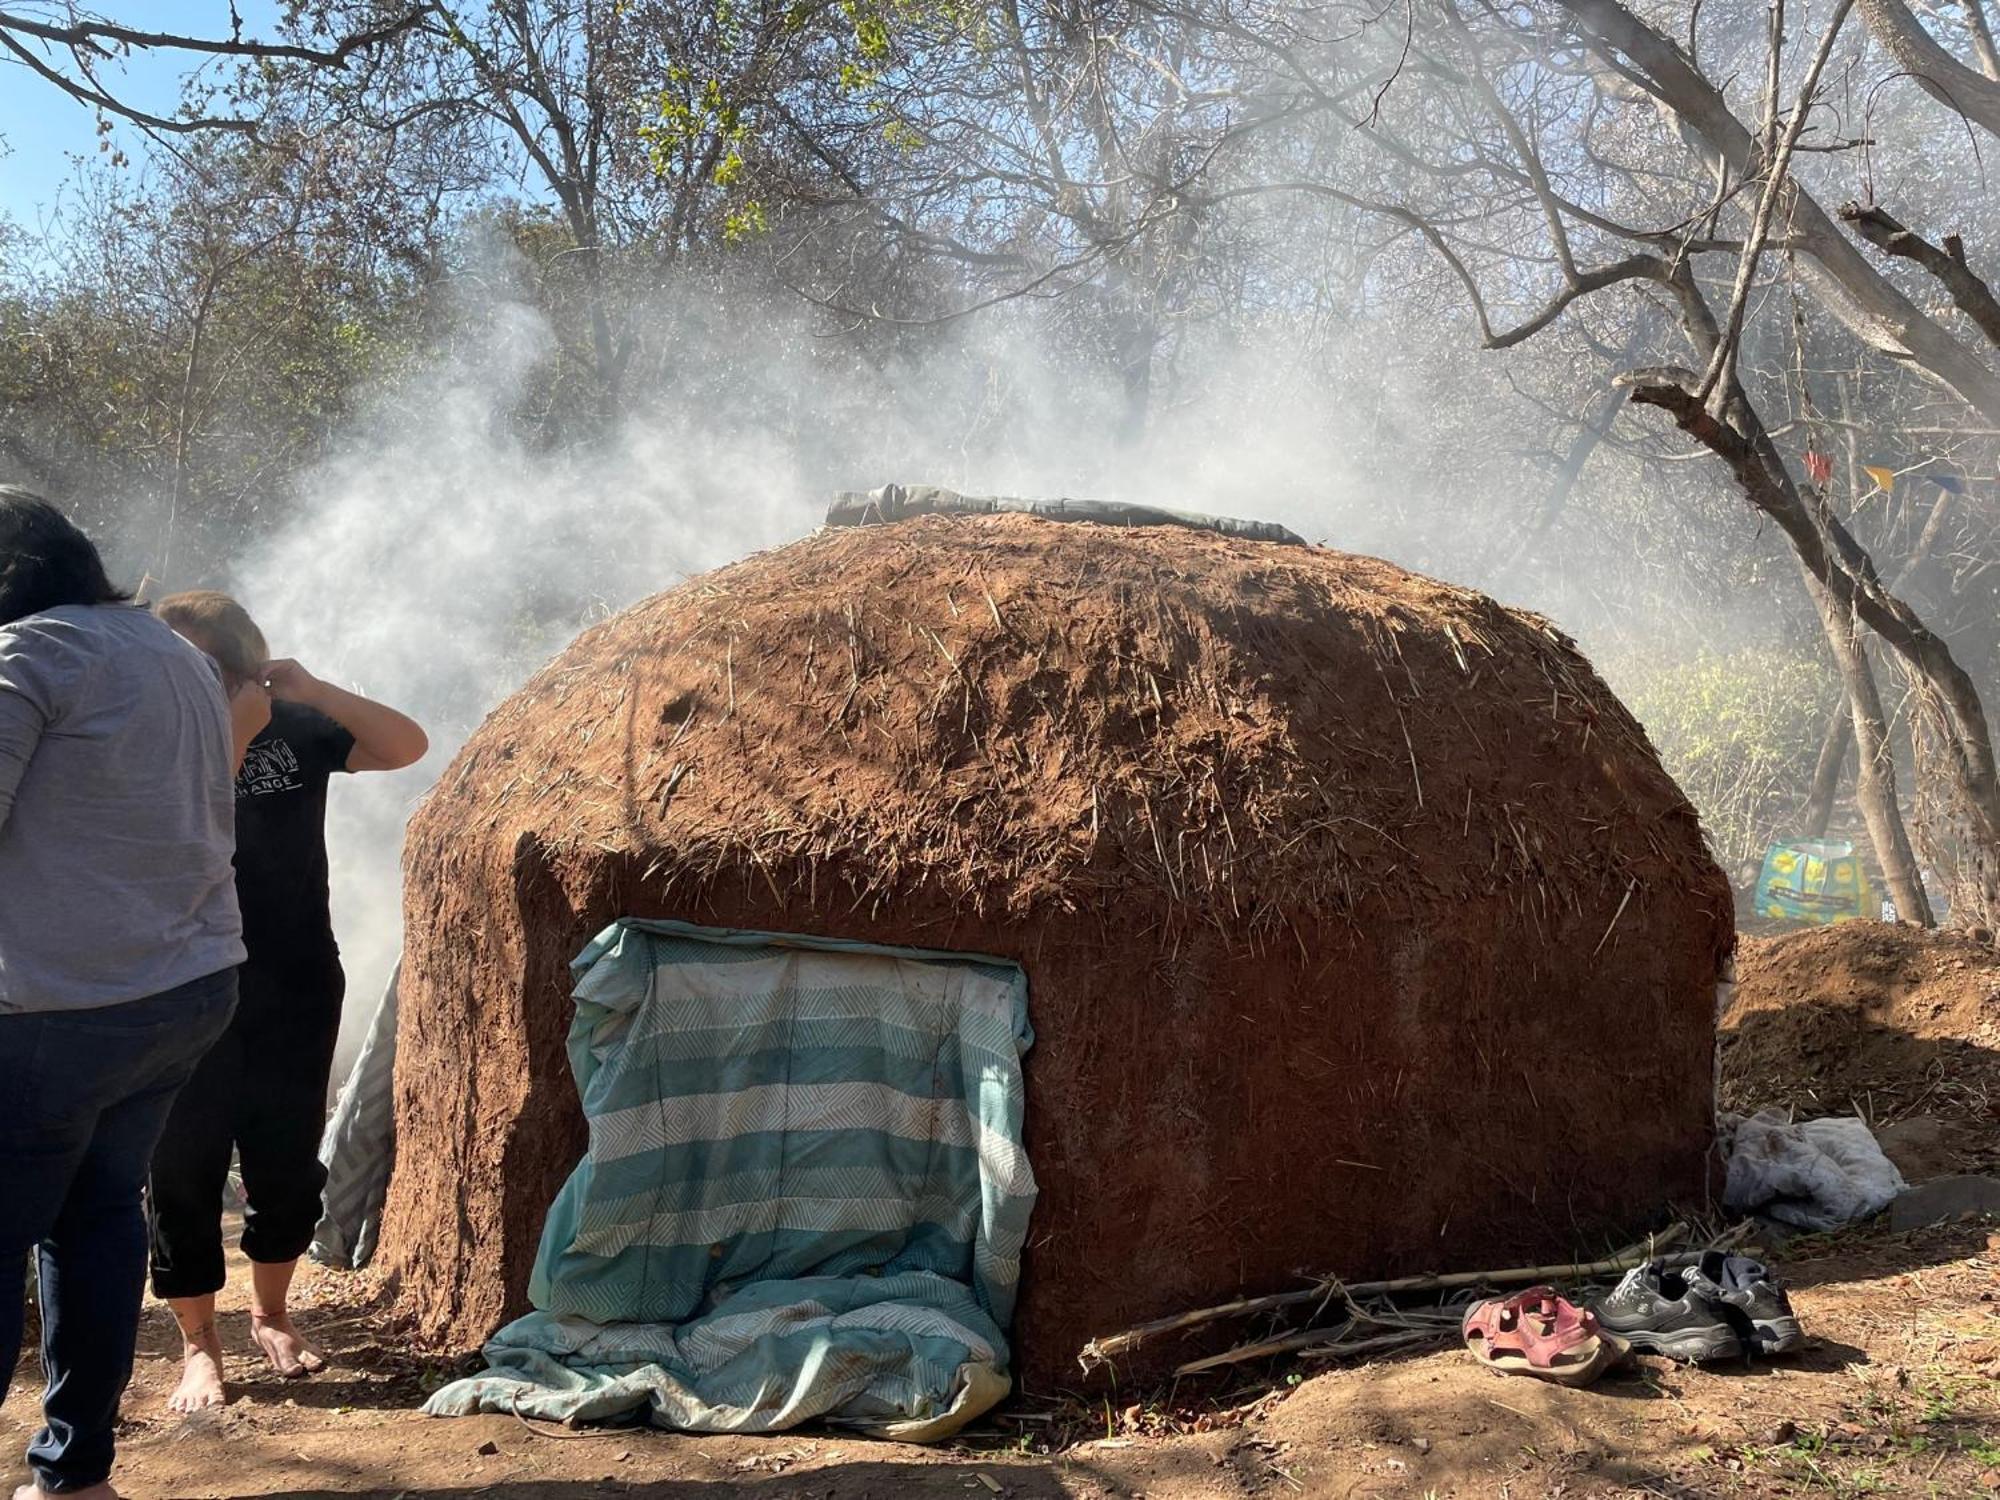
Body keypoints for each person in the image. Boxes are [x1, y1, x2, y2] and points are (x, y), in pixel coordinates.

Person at [0, 490, 261, 1500]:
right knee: (97, 1214)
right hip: (184, 991)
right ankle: (77, 1475)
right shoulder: (176, 656)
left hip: (56, 1012)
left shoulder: (27, 657)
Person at [148, 591, 427, 1412]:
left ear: (241, 665)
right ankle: (199, 1346)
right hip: (182, 981)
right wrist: (227, 732)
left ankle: (271, 1313)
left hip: (297, 976)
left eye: (203, 662)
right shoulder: (150, 743)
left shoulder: (297, 732)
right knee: (182, 1168)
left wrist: (310, 690)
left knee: (286, 1168)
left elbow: (404, 745)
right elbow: (180, 832)